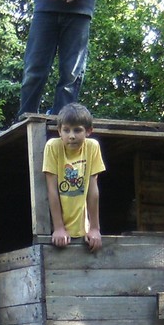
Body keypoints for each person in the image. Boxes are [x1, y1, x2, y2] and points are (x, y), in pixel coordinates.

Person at [43, 103, 105, 252]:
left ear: (89, 131)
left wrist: (95, 228)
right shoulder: (53, 146)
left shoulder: (92, 147)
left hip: (82, 227)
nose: (71, 136)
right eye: (66, 130)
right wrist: (58, 227)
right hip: (56, 225)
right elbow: (52, 189)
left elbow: (92, 189)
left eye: (77, 130)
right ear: (59, 131)